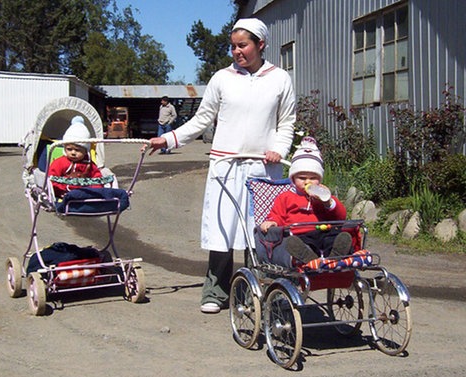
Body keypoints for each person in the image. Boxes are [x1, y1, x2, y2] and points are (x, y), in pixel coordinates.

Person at [146, 18, 296, 314]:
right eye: (233, 46)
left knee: (261, 232)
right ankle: (216, 291)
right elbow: (203, 119)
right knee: (222, 229)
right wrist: (169, 140)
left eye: (243, 45)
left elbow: (287, 121)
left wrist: (279, 149)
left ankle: (259, 292)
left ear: (260, 45)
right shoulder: (222, 78)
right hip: (225, 166)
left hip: (263, 169)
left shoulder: (280, 79)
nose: (237, 52)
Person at [257, 137, 352, 266]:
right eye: (302, 178)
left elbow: (340, 216)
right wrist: (272, 222)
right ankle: (309, 258)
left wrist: (328, 202)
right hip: (301, 236)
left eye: (313, 178)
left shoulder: (322, 196)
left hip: (323, 232)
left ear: (319, 179)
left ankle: (334, 257)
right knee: (295, 243)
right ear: (293, 179)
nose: (307, 182)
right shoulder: (286, 197)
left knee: (334, 237)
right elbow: (278, 215)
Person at [48, 116, 103, 198]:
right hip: (64, 192)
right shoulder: (60, 162)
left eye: (77, 150)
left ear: (85, 151)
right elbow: (52, 178)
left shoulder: (89, 164)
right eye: (69, 149)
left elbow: (97, 177)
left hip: (85, 192)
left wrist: (96, 190)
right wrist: (60, 190)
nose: (73, 153)